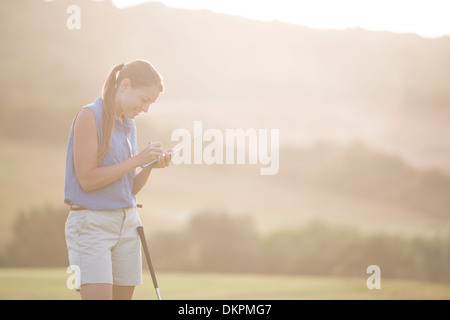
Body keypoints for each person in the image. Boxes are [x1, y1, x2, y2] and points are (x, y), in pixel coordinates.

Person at [64, 60, 171, 300]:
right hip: (91, 225)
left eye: (150, 103)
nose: (145, 109)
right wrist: (138, 159)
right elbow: (87, 180)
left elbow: (129, 188)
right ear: (125, 85)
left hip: (127, 223)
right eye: (144, 100)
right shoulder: (89, 115)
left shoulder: (128, 125)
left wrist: (150, 166)